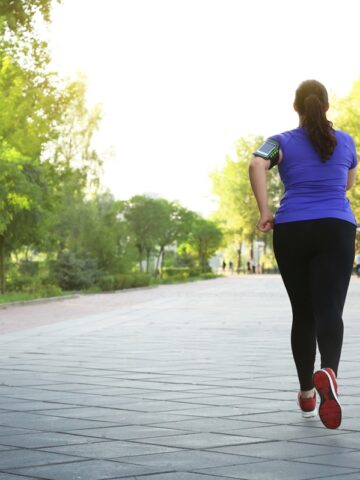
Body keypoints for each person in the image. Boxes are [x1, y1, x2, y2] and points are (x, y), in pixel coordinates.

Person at [249, 80, 357, 430]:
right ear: (326, 106)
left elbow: (255, 164)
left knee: (304, 313)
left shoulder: (278, 141)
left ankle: (308, 395)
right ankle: (330, 374)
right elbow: (348, 184)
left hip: (293, 228)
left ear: (296, 107)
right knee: (330, 311)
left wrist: (265, 212)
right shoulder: (346, 142)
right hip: (336, 228)